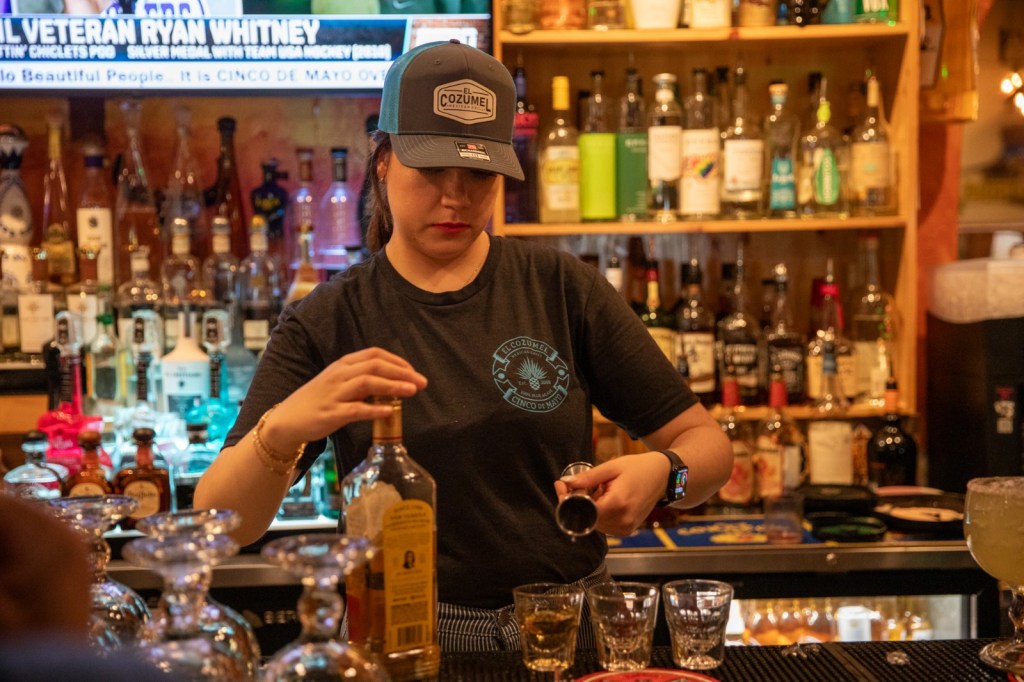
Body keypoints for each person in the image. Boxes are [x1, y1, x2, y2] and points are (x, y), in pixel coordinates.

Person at [195, 39, 732, 652]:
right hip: (400, 630)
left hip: (566, 626)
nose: (455, 197)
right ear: (383, 162)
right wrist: (285, 426)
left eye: (479, 174)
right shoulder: (329, 318)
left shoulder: (562, 288)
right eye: (431, 171)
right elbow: (224, 523)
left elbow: (709, 448)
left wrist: (665, 474)